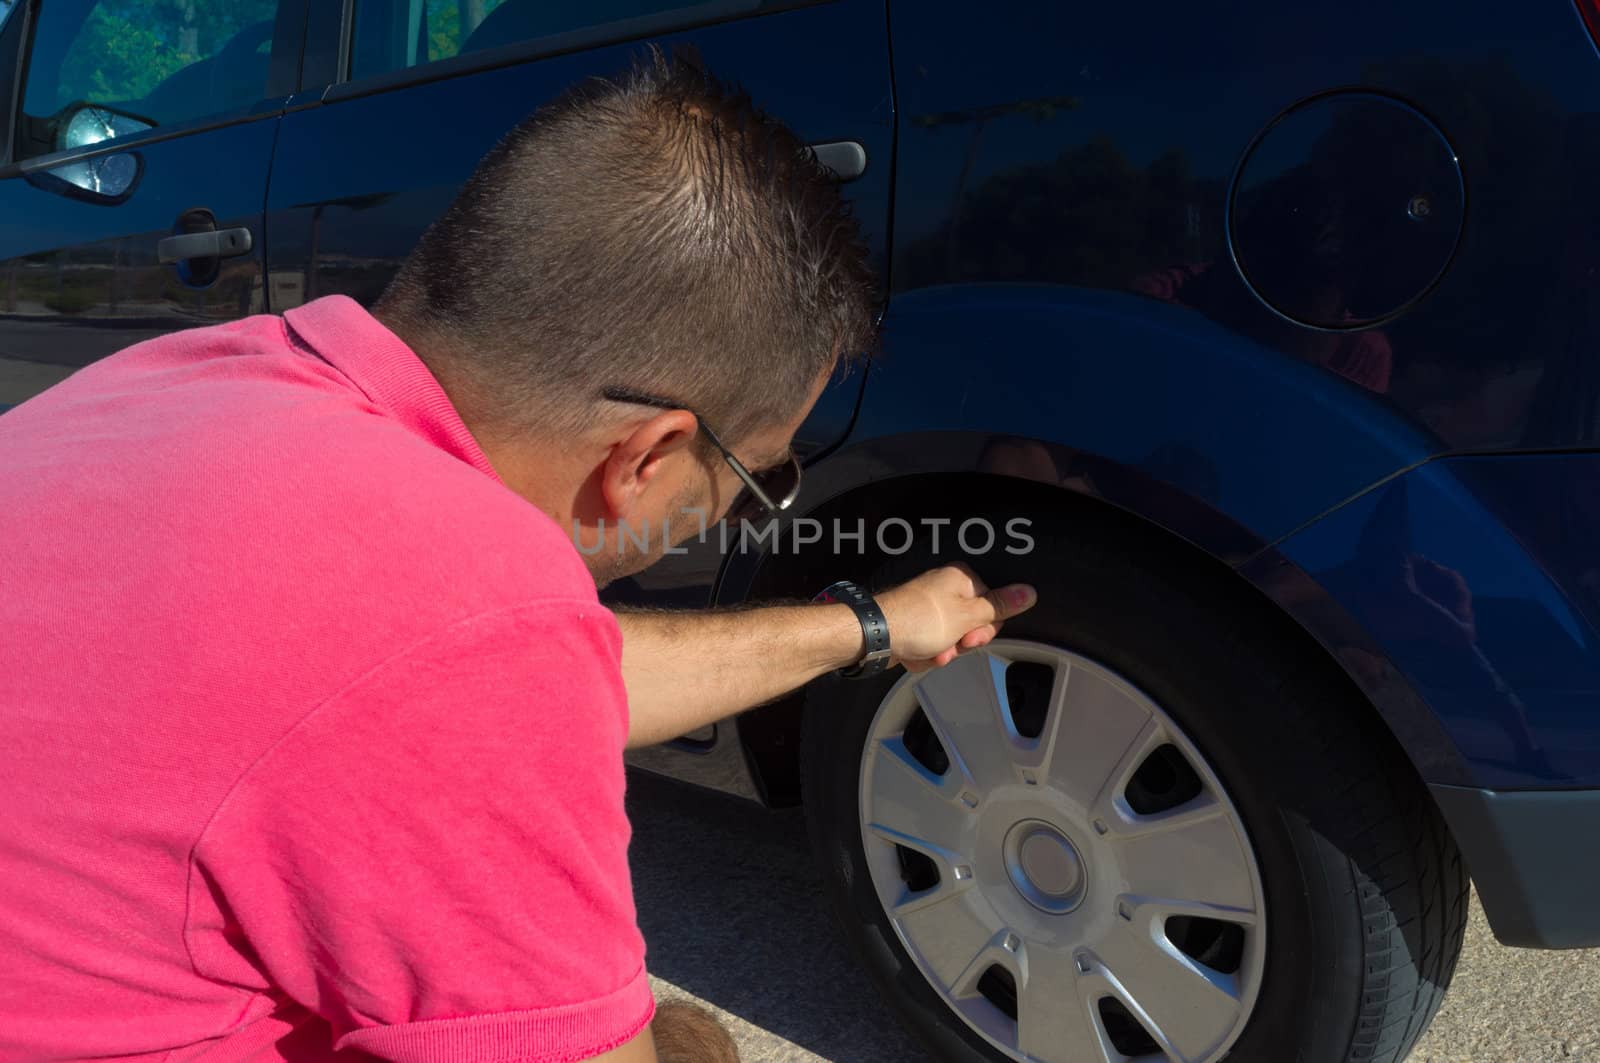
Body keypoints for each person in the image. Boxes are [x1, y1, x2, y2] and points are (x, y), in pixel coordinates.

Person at [0, 53, 1035, 1063]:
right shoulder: (460, 616)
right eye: (756, 477)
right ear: (650, 456)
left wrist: (869, 625)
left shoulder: (189, 379)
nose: (733, 517)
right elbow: (479, 664)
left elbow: (513, 672)